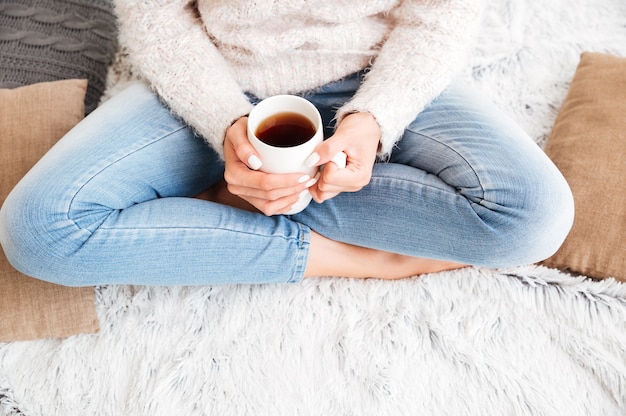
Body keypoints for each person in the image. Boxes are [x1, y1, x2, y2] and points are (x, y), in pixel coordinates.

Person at [0, 0, 574, 287]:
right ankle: (356, 259)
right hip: (218, 76)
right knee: (38, 233)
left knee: (535, 219)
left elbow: (439, 20)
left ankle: (228, 204)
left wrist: (374, 118)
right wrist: (225, 121)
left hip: (382, 68)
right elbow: (157, 19)